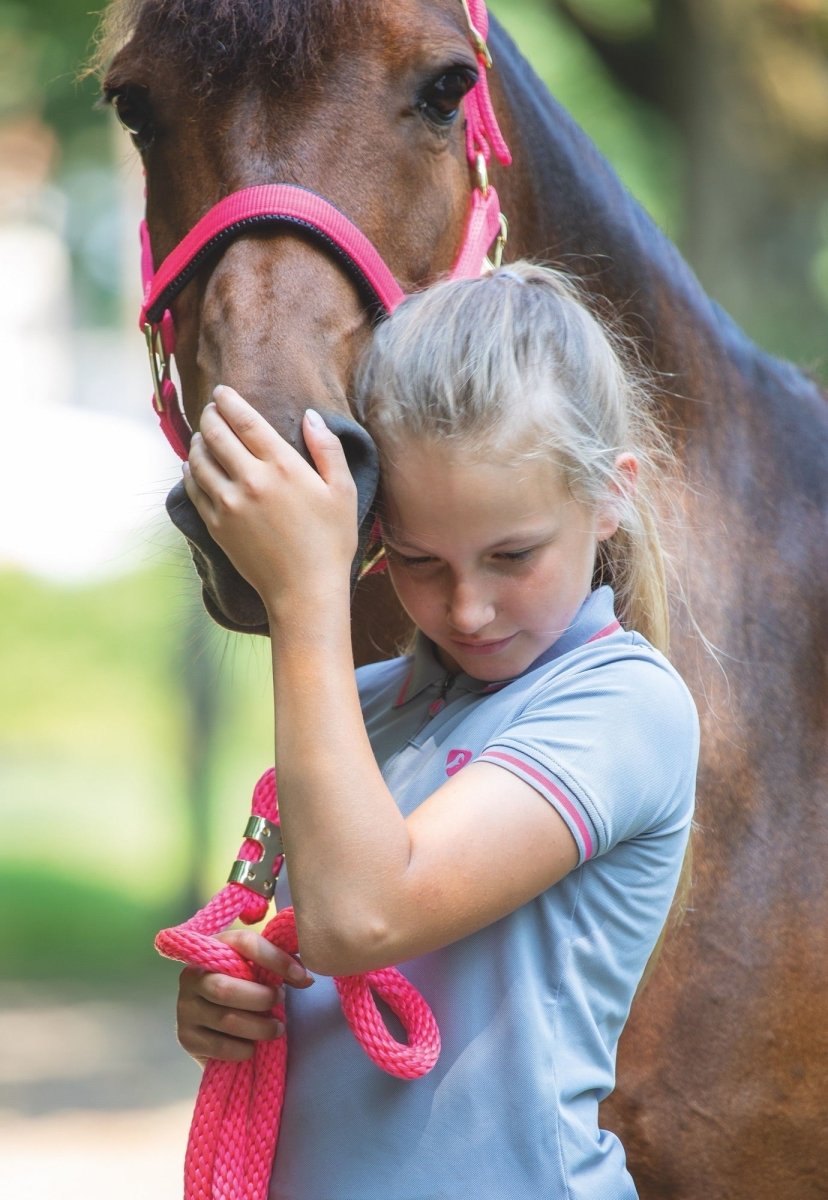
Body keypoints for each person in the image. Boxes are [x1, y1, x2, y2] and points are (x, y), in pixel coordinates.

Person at [177, 261, 699, 1199]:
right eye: (417, 560)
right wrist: (242, 1007)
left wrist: (304, 595)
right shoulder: (362, 708)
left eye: (512, 555)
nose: (467, 609)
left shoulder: (625, 704)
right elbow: (329, 945)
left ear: (612, 493)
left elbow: (364, 917)